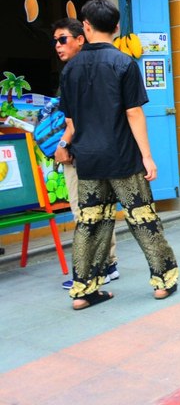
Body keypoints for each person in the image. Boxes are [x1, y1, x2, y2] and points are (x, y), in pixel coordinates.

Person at [55, 0, 178, 310]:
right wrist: (147, 157)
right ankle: (164, 282)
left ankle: (83, 291)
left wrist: (68, 146)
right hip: (123, 158)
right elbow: (134, 113)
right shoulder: (124, 63)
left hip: (89, 160)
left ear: (85, 27)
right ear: (117, 28)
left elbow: (70, 120)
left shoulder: (70, 70)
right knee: (143, 219)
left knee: (89, 224)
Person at [51, 18, 121, 291]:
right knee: (97, 211)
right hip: (100, 151)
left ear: (81, 38)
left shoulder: (75, 72)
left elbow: (76, 119)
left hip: (82, 153)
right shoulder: (96, 68)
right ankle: (107, 263)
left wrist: (63, 144)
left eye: (62, 39)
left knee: (85, 212)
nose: (57, 45)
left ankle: (93, 270)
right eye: (54, 41)